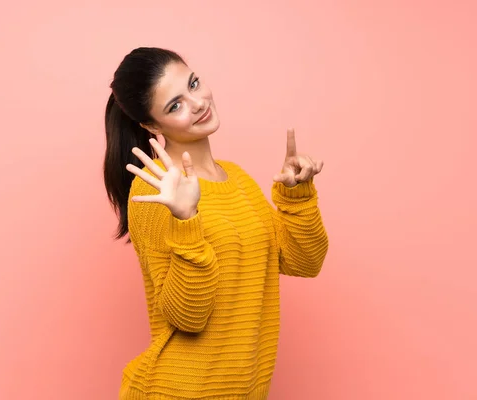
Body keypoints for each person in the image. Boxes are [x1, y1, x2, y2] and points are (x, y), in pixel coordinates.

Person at [103, 47, 329, 400]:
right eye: (175, 105)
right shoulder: (154, 188)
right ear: (150, 126)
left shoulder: (236, 178)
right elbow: (187, 317)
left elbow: (305, 262)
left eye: (193, 84)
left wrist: (297, 196)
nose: (197, 103)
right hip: (180, 391)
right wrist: (186, 219)